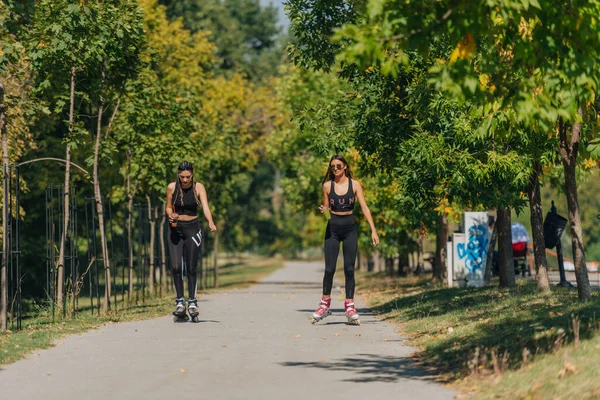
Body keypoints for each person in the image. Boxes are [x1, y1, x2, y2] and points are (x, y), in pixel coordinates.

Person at [312, 155, 380, 325]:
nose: (335, 169)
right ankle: (324, 304)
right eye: (332, 166)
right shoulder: (327, 186)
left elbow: (364, 207)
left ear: (345, 167)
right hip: (333, 229)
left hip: (350, 228)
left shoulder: (355, 184)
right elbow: (327, 209)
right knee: (329, 269)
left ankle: (350, 306)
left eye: (338, 166)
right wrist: (324, 210)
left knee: (349, 269)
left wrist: (373, 230)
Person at [166, 161, 217, 321]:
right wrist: (170, 215)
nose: (185, 180)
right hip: (175, 229)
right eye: (182, 177)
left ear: (192, 174)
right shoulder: (172, 187)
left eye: (188, 176)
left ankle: (193, 302)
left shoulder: (198, 187)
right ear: (178, 175)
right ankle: (180, 301)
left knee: (191, 267)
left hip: (193, 229)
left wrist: (210, 221)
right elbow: (168, 207)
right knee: (176, 267)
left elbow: (206, 207)